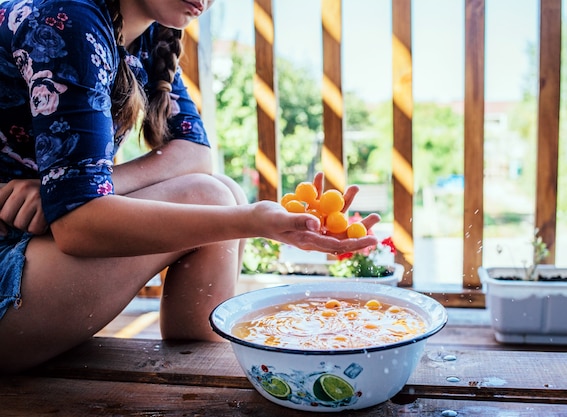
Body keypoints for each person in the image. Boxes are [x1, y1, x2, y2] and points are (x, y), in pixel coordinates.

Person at [0, 0, 380, 373]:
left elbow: (196, 154)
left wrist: (78, 186)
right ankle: (197, 380)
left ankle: (196, 377)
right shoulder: (71, 20)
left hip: (28, 247)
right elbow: (77, 229)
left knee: (221, 188)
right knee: (213, 197)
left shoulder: (146, 35)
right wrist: (253, 222)